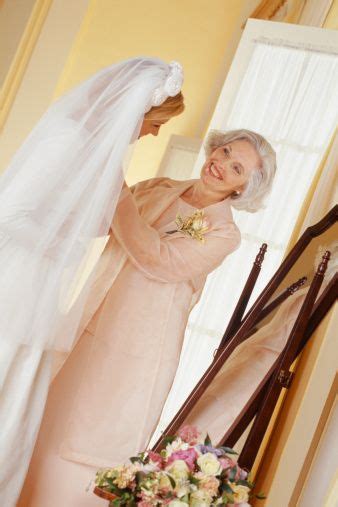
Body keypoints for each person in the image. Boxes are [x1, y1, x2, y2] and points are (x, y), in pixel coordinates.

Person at [18, 128, 277, 507]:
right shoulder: (160, 187)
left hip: (133, 355)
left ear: (242, 189)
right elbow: (100, 222)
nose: (220, 164)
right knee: (40, 428)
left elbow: (158, 259)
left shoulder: (223, 233)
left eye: (235, 167)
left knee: (82, 454)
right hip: (86, 325)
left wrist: (119, 191)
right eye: (223, 151)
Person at [0, 57, 184, 507]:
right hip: (18, 283)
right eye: (156, 122)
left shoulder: (94, 150)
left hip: (41, 289)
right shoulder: (65, 139)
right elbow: (9, 214)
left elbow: (101, 220)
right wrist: (62, 235)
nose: (154, 133)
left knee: (17, 394)